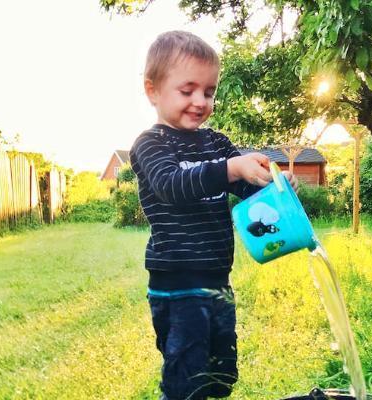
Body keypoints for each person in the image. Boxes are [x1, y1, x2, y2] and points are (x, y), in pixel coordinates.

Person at [129, 30, 298, 400]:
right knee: (187, 381)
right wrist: (231, 169)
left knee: (221, 376)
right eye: (187, 90)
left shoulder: (217, 144)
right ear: (152, 90)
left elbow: (248, 189)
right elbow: (172, 185)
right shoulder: (150, 144)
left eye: (209, 91)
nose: (200, 101)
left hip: (219, 279)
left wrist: (276, 189)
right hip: (177, 284)